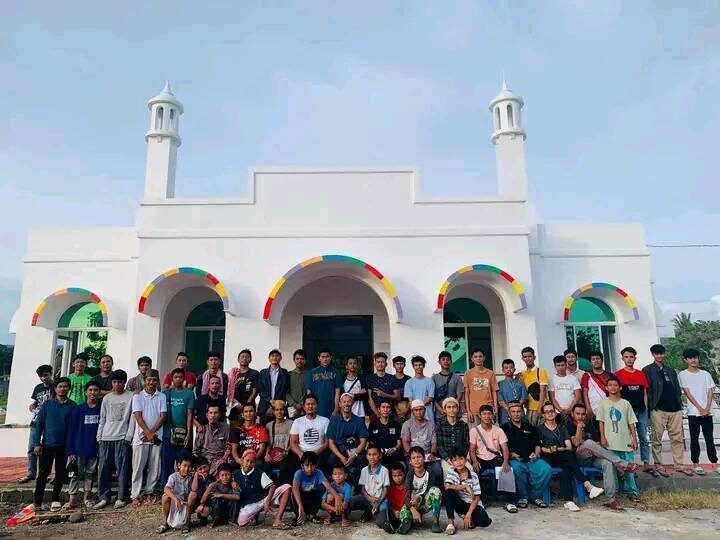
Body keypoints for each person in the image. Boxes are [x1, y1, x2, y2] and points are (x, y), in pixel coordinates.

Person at [568, 403, 635, 510]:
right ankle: (622, 464)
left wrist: (596, 445)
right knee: (589, 443)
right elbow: (576, 443)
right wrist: (579, 429)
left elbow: (598, 443)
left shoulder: (590, 426)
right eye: (578, 414)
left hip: (593, 458)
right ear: (572, 414)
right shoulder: (569, 426)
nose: (580, 416)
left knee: (607, 463)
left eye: (583, 414)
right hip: (579, 458)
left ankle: (610, 499)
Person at [537, 402, 604, 511]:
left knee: (567, 464)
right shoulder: (540, 429)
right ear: (543, 415)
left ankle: (569, 501)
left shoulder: (562, 428)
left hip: (562, 456)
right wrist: (555, 449)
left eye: (552, 411)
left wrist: (555, 449)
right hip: (548, 458)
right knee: (568, 457)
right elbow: (541, 448)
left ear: (555, 413)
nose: (550, 413)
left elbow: (569, 446)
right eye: (547, 412)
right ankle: (587, 485)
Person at [30, 377, 76, 511]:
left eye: (65, 386)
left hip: (64, 446)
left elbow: (73, 428)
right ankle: (37, 502)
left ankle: (55, 499)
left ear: (69, 388)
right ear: (55, 389)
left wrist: (72, 448)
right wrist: (37, 443)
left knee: (60, 473)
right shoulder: (47, 405)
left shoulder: (72, 406)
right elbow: (39, 425)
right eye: (60, 386)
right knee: (43, 474)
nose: (62, 389)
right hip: (47, 444)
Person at [642, 343, 686, 476]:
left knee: (677, 438)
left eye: (661, 353)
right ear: (653, 355)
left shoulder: (670, 370)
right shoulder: (647, 370)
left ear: (664, 354)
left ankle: (679, 465)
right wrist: (651, 407)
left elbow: (677, 388)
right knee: (656, 439)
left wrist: (680, 405)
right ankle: (658, 464)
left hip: (675, 408)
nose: (659, 356)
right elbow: (647, 390)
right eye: (657, 353)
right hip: (658, 409)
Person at [596, 376, 640, 500]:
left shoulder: (625, 403)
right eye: (610, 385)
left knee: (628, 468)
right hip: (610, 443)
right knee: (612, 468)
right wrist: (602, 437)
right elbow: (601, 422)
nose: (613, 388)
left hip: (625, 442)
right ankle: (614, 492)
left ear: (620, 387)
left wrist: (634, 439)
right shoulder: (603, 403)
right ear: (606, 388)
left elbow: (631, 422)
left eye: (615, 385)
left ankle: (632, 491)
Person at [95, 369, 133, 509]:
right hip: (106, 437)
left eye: (120, 382)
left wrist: (128, 437)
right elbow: (103, 418)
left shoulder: (130, 397)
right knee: (103, 468)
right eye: (115, 382)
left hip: (122, 437)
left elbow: (133, 418)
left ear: (124, 383)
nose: (117, 384)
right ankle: (104, 496)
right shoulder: (107, 398)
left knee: (122, 469)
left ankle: (121, 497)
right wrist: (99, 436)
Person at [502, 401, 551, 509]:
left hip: (532, 459)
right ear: (509, 413)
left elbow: (538, 444)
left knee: (546, 469)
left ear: (522, 412)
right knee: (516, 469)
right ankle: (522, 497)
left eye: (518, 411)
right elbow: (502, 446)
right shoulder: (504, 428)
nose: (516, 414)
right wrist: (511, 454)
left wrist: (536, 454)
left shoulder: (530, 427)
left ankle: (535, 496)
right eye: (513, 412)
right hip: (516, 460)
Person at [129, 369, 167, 508]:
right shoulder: (137, 397)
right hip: (140, 438)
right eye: (149, 380)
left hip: (156, 437)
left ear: (157, 382)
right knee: (138, 467)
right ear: (145, 381)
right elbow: (138, 416)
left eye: (154, 380)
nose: (151, 383)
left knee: (154, 467)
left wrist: (151, 433)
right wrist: (147, 432)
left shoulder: (161, 396)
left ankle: (150, 491)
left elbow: (163, 416)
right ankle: (135, 494)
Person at [678, 347, 719, 475]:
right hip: (693, 413)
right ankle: (695, 463)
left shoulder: (705, 374)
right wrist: (699, 408)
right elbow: (687, 393)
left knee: (709, 438)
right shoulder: (682, 374)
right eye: (690, 358)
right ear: (686, 360)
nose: (693, 360)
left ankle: (714, 463)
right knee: (694, 438)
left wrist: (706, 408)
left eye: (695, 357)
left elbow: (710, 391)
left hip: (707, 413)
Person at [614, 346, 653, 475]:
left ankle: (646, 462)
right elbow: (616, 393)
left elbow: (645, 393)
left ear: (635, 358)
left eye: (631, 357)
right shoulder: (618, 375)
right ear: (623, 358)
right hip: (626, 412)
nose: (629, 359)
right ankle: (628, 463)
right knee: (627, 438)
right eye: (626, 357)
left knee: (643, 437)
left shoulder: (641, 374)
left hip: (641, 411)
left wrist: (646, 408)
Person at [64, 380, 102, 510]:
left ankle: (87, 497)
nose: (93, 393)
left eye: (96, 390)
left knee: (90, 474)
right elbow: (72, 431)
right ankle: (72, 499)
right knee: (75, 475)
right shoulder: (78, 409)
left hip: (94, 449)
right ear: (86, 392)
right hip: (78, 449)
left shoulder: (101, 409)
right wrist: (71, 451)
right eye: (90, 390)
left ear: (99, 393)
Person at [234, 448, 292, 528]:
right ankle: (255, 516)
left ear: (255, 463)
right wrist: (232, 482)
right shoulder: (236, 473)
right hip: (248, 504)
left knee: (287, 487)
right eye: (247, 460)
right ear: (242, 460)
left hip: (262, 500)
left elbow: (272, 486)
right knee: (241, 522)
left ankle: (277, 520)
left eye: (252, 462)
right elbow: (227, 480)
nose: (249, 464)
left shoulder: (259, 473)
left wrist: (267, 501)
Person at [19, 365, 54, 484]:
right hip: (36, 420)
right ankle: (31, 473)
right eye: (41, 376)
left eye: (46, 375)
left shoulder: (56, 387)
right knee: (32, 447)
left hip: (50, 422)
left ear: (51, 374)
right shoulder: (38, 388)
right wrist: (33, 404)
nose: (43, 378)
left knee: (47, 449)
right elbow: (37, 400)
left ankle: (45, 474)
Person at [443, 448, 492, 534]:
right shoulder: (452, 471)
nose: (458, 462)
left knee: (485, 522)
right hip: (460, 503)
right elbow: (447, 486)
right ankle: (451, 523)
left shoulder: (473, 476)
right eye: (455, 460)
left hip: (472, 504)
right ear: (452, 462)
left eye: (461, 459)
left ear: (466, 459)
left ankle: (466, 516)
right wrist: (464, 486)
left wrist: (469, 514)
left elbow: (476, 498)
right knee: (448, 493)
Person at [162, 368, 195, 487]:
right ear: (171, 378)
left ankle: (182, 487)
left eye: (180, 377)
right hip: (167, 433)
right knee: (167, 461)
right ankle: (166, 487)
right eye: (175, 377)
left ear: (184, 379)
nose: (178, 379)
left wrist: (189, 433)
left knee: (183, 462)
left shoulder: (189, 393)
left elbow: (190, 414)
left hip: (182, 434)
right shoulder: (165, 393)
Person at [327, 393, 369, 480]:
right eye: (344, 402)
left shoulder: (359, 421)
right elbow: (331, 443)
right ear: (339, 404)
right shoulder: (334, 421)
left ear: (353, 403)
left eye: (349, 401)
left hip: (354, 450)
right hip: (339, 450)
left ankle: (358, 485)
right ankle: (335, 484)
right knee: (331, 460)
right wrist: (341, 457)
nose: (346, 404)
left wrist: (354, 455)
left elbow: (363, 441)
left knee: (362, 459)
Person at [291, 451, 339, 526]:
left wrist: (337, 496)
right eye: (307, 465)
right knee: (293, 492)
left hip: (312, 499)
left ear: (316, 465)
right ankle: (299, 516)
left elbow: (328, 486)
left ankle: (312, 515)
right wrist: (300, 506)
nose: (310, 468)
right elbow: (295, 489)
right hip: (301, 499)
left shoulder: (318, 472)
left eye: (312, 465)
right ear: (302, 466)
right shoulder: (298, 473)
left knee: (322, 488)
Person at [404, 445, 443, 533]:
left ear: (424, 458)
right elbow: (406, 495)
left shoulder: (430, 472)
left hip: (425, 502)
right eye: (413, 458)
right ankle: (408, 522)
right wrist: (413, 510)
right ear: (410, 461)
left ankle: (436, 522)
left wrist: (419, 497)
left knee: (435, 490)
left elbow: (429, 490)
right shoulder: (409, 475)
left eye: (419, 457)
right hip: (412, 503)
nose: (416, 460)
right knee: (404, 514)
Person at [350, 444, 390, 527]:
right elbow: (363, 489)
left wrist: (378, 502)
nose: (372, 457)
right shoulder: (364, 470)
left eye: (375, 454)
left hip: (380, 500)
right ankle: (367, 512)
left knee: (381, 522)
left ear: (380, 456)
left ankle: (372, 513)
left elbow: (386, 489)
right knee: (350, 501)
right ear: (366, 456)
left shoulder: (384, 470)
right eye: (369, 455)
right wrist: (370, 498)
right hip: (367, 499)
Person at [289, 394, 330, 466]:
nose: (310, 406)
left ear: (317, 406)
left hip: (319, 453)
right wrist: (301, 455)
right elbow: (293, 443)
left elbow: (327, 442)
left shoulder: (325, 421)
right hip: (301, 453)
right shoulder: (297, 421)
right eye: (308, 404)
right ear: (304, 407)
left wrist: (315, 454)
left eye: (313, 404)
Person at [157, 455, 193, 534]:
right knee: (165, 497)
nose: (187, 469)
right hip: (176, 503)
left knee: (193, 495)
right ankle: (165, 523)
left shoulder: (192, 477)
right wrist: (176, 500)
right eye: (184, 465)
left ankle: (188, 522)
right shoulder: (173, 477)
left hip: (187, 504)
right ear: (179, 465)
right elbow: (166, 489)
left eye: (189, 466)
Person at [265, 399, 298, 485]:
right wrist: (267, 454)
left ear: (285, 411)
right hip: (273, 455)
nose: (279, 412)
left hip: (287, 454)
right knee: (265, 469)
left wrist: (285, 453)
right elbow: (268, 444)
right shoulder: (269, 425)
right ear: (273, 412)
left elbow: (293, 441)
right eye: (277, 410)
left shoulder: (291, 423)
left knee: (286, 469)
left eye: (281, 409)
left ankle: (285, 490)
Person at [469, 404, 510, 472]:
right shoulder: (474, 430)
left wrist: (505, 462)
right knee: (476, 474)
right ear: (479, 415)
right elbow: (472, 450)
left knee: (501, 475)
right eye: (484, 414)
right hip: (480, 458)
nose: (487, 416)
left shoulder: (498, 430)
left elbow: (505, 449)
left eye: (489, 414)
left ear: (493, 415)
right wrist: (475, 461)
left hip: (495, 458)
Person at [198, 463, 240, 527]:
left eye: (228, 475)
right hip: (217, 513)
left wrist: (221, 495)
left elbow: (237, 497)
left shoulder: (233, 485)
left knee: (234, 500)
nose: (225, 477)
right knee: (215, 498)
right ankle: (215, 520)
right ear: (218, 477)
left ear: (231, 476)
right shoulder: (214, 486)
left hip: (229, 512)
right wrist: (210, 487)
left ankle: (232, 520)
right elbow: (202, 501)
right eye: (222, 475)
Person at [435, 397, 470, 475]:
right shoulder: (440, 425)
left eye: (454, 407)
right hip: (447, 458)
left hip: (461, 457)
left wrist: (461, 459)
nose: (451, 410)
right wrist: (448, 459)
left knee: (470, 469)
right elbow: (440, 446)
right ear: (444, 410)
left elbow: (466, 444)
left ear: (457, 409)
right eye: (449, 407)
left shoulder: (463, 425)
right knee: (447, 471)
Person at [193, 404, 231, 476]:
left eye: (215, 413)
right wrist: (198, 463)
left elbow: (228, 447)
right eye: (210, 413)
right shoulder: (202, 429)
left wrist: (224, 458)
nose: (213, 415)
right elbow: (196, 450)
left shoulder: (226, 428)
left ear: (219, 415)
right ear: (207, 415)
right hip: (205, 460)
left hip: (220, 460)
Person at [463, 348, 498, 422]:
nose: (478, 359)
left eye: (480, 356)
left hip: (488, 410)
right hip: (474, 411)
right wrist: (468, 411)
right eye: (475, 357)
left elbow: (494, 392)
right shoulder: (468, 373)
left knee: (488, 432)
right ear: (472, 359)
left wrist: (495, 409)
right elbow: (466, 393)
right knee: (474, 432)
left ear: (484, 358)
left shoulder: (490, 373)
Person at [305, 348, 342, 419]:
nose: (325, 359)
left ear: (330, 358)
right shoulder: (311, 373)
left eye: (327, 357)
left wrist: (336, 409)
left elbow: (337, 393)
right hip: (316, 409)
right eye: (323, 357)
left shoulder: (336, 373)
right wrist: (309, 408)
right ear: (319, 358)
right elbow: (309, 393)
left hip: (331, 408)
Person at [227, 349, 259, 426]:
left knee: (249, 431)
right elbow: (228, 391)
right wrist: (236, 404)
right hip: (234, 408)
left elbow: (255, 391)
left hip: (249, 409)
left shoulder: (254, 373)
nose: (244, 358)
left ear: (250, 360)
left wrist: (245, 406)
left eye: (247, 357)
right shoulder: (233, 373)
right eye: (242, 357)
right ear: (238, 359)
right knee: (235, 431)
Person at [518, 347, 549, 426]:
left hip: (541, 408)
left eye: (530, 356)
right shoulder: (522, 374)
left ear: (534, 357)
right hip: (529, 409)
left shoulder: (541, 371)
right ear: (522, 359)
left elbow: (543, 390)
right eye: (525, 357)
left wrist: (540, 407)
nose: (527, 359)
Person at [258, 349, 290, 420]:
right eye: (272, 356)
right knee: (264, 428)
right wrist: (270, 401)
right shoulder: (263, 373)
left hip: (279, 408)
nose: (275, 358)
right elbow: (261, 390)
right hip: (264, 407)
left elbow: (285, 390)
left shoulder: (285, 373)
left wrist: (275, 404)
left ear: (281, 358)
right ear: (269, 358)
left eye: (277, 356)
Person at [368, 400, 402, 466]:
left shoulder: (396, 425)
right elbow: (370, 442)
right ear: (379, 409)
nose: (385, 410)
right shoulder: (373, 424)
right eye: (383, 407)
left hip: (393, 454)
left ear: (391, 410)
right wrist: (378, 451)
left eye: (388, 407)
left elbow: (399, 444)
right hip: (377, 456)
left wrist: (394, 449)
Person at [367, 352, 400, 419]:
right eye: (378, 362)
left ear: (386, 364)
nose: (380, 364)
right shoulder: (370, 378)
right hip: (375, 413)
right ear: (375, 364)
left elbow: (397, 396)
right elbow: (370, 399)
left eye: (382, 362)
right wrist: (378, 414)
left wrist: (384, 394)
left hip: (390, 412)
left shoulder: (392, 378)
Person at [581, 351, 612, 422]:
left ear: (602, 360)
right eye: (593, 359)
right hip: (593, 411)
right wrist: (588, 409)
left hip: (609, 410)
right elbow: (585, 394)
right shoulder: (587, 376)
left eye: (598, 359)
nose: (596, 361)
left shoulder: (610, 375)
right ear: (590, 362)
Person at [548, 355, 582, 420]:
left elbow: (577, 396)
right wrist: (560, 410)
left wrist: (570, 409)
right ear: (555, 366)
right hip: (557, 412)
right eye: (558, 365)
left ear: (566, 365)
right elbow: (552, 398)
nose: (561, 367)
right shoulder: (551, 379)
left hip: (572, 412)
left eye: (563, 365)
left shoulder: (573, 378)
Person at [403, 356, 435, 422]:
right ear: (413, 366)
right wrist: (419, 408)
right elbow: (410, 401)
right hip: (415, 416)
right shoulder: (409, 382)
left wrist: (417, 405)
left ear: (423, 366)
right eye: (416, 365)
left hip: (428, 416)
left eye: (420, 365)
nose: (418, 367)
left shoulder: (430, 381)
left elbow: (430, 398)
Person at [433, 351, 463, 419]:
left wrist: (452, 410)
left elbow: (459, 396)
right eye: (443, 359)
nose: (446, 361)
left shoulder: (457, 378)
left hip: (455, 414)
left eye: (448, 359)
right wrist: (440, 409)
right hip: (440, 414)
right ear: (439, 362)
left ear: (451, 361)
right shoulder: (434, 378)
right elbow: (433, 398)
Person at [497, 359, 527, 426]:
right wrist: (509, 409)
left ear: (514, 369)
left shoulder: (520, 383)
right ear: (503, 370)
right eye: (506, 368)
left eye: (511, 367)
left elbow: (523, 398)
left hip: (519, 412)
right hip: (505, 413)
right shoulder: (499, 384)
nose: (508, 369)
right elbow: (500, 400)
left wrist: (515, 408)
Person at [187, 457, 214, 526]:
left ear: (209, 466)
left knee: (205, 511)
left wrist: (203, 505)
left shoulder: (211, 478)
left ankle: (203, 517)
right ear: (196, 471)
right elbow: (194, 489)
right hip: (194, 504)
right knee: (193, 494)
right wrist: (196, 476)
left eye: (205, 467)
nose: (203, 470)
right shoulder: (193, 479)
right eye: (200, 469)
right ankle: (188, 520)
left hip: (206, 503)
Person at [287, 349, 307, 418]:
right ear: (294, 360)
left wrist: (301, 404)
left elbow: (310, 391)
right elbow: (286, 392)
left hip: (305, 408)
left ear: (305, 360)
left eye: (302, 359)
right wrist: (294, 404)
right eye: (297, 359)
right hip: (291, 408)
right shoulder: (288, 375)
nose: (299, 361)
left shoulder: (309, 374)